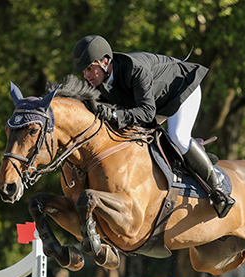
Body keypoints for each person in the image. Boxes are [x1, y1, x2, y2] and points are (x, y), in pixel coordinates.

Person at [72, 35, 235, 218]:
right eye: (84, 71)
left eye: (89, 69)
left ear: (104, 62)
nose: (85, 75)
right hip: (154, 102)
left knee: (177, 137)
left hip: (180, 92)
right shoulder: (97, 81)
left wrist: (115, 114)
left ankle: (217, 190)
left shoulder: (134, 69)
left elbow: (147, 113)